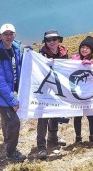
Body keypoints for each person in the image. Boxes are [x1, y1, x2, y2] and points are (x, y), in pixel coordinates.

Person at [0, 23, 26, 163]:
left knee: (6, 120)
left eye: (11, 34)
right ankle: (11, 152)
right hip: (0, 94)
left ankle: (7, 140)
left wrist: (29, 52)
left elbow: (20, 63)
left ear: (15, 35)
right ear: (0, 36)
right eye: (5, 34)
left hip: (10, 90)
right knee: (13, 122)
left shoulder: (16, 50)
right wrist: (13, 101)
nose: (8, 37)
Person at [36, 29, 68, 160]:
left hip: (58, 88)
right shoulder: (40, 55)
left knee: (55, 112)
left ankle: (53, 138)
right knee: (43, 117)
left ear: (59, 40)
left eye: (54, 39)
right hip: (44, 89)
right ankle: (41, 146)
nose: (51, 42)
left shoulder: (64, 53)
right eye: (48, 40)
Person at [71, 35, 93, 144]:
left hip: (89, 94)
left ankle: (92, 136)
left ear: (91, 50)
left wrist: (91, 63)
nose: (84, 49)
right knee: (77, 116)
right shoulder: (74, 59)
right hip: (77, 93)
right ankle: (78, 137)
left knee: (90, 116)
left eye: (87, 48)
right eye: (82, 47)